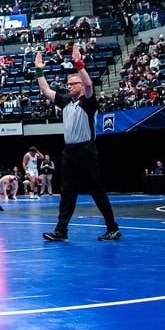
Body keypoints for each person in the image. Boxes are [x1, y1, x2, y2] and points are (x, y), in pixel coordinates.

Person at [35, 44, 121, 241]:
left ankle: (112, 227)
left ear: (81, 86)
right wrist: (39, 69)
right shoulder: (66, 101)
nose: (69, 86)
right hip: (69, 151)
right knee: (67, 192)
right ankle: (61, 230)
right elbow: (45, 89)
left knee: (96, 190)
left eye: (73, 83)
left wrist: (78, 63)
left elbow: (90, 85)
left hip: (86, 150)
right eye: (68, 83)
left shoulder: (89, 102)